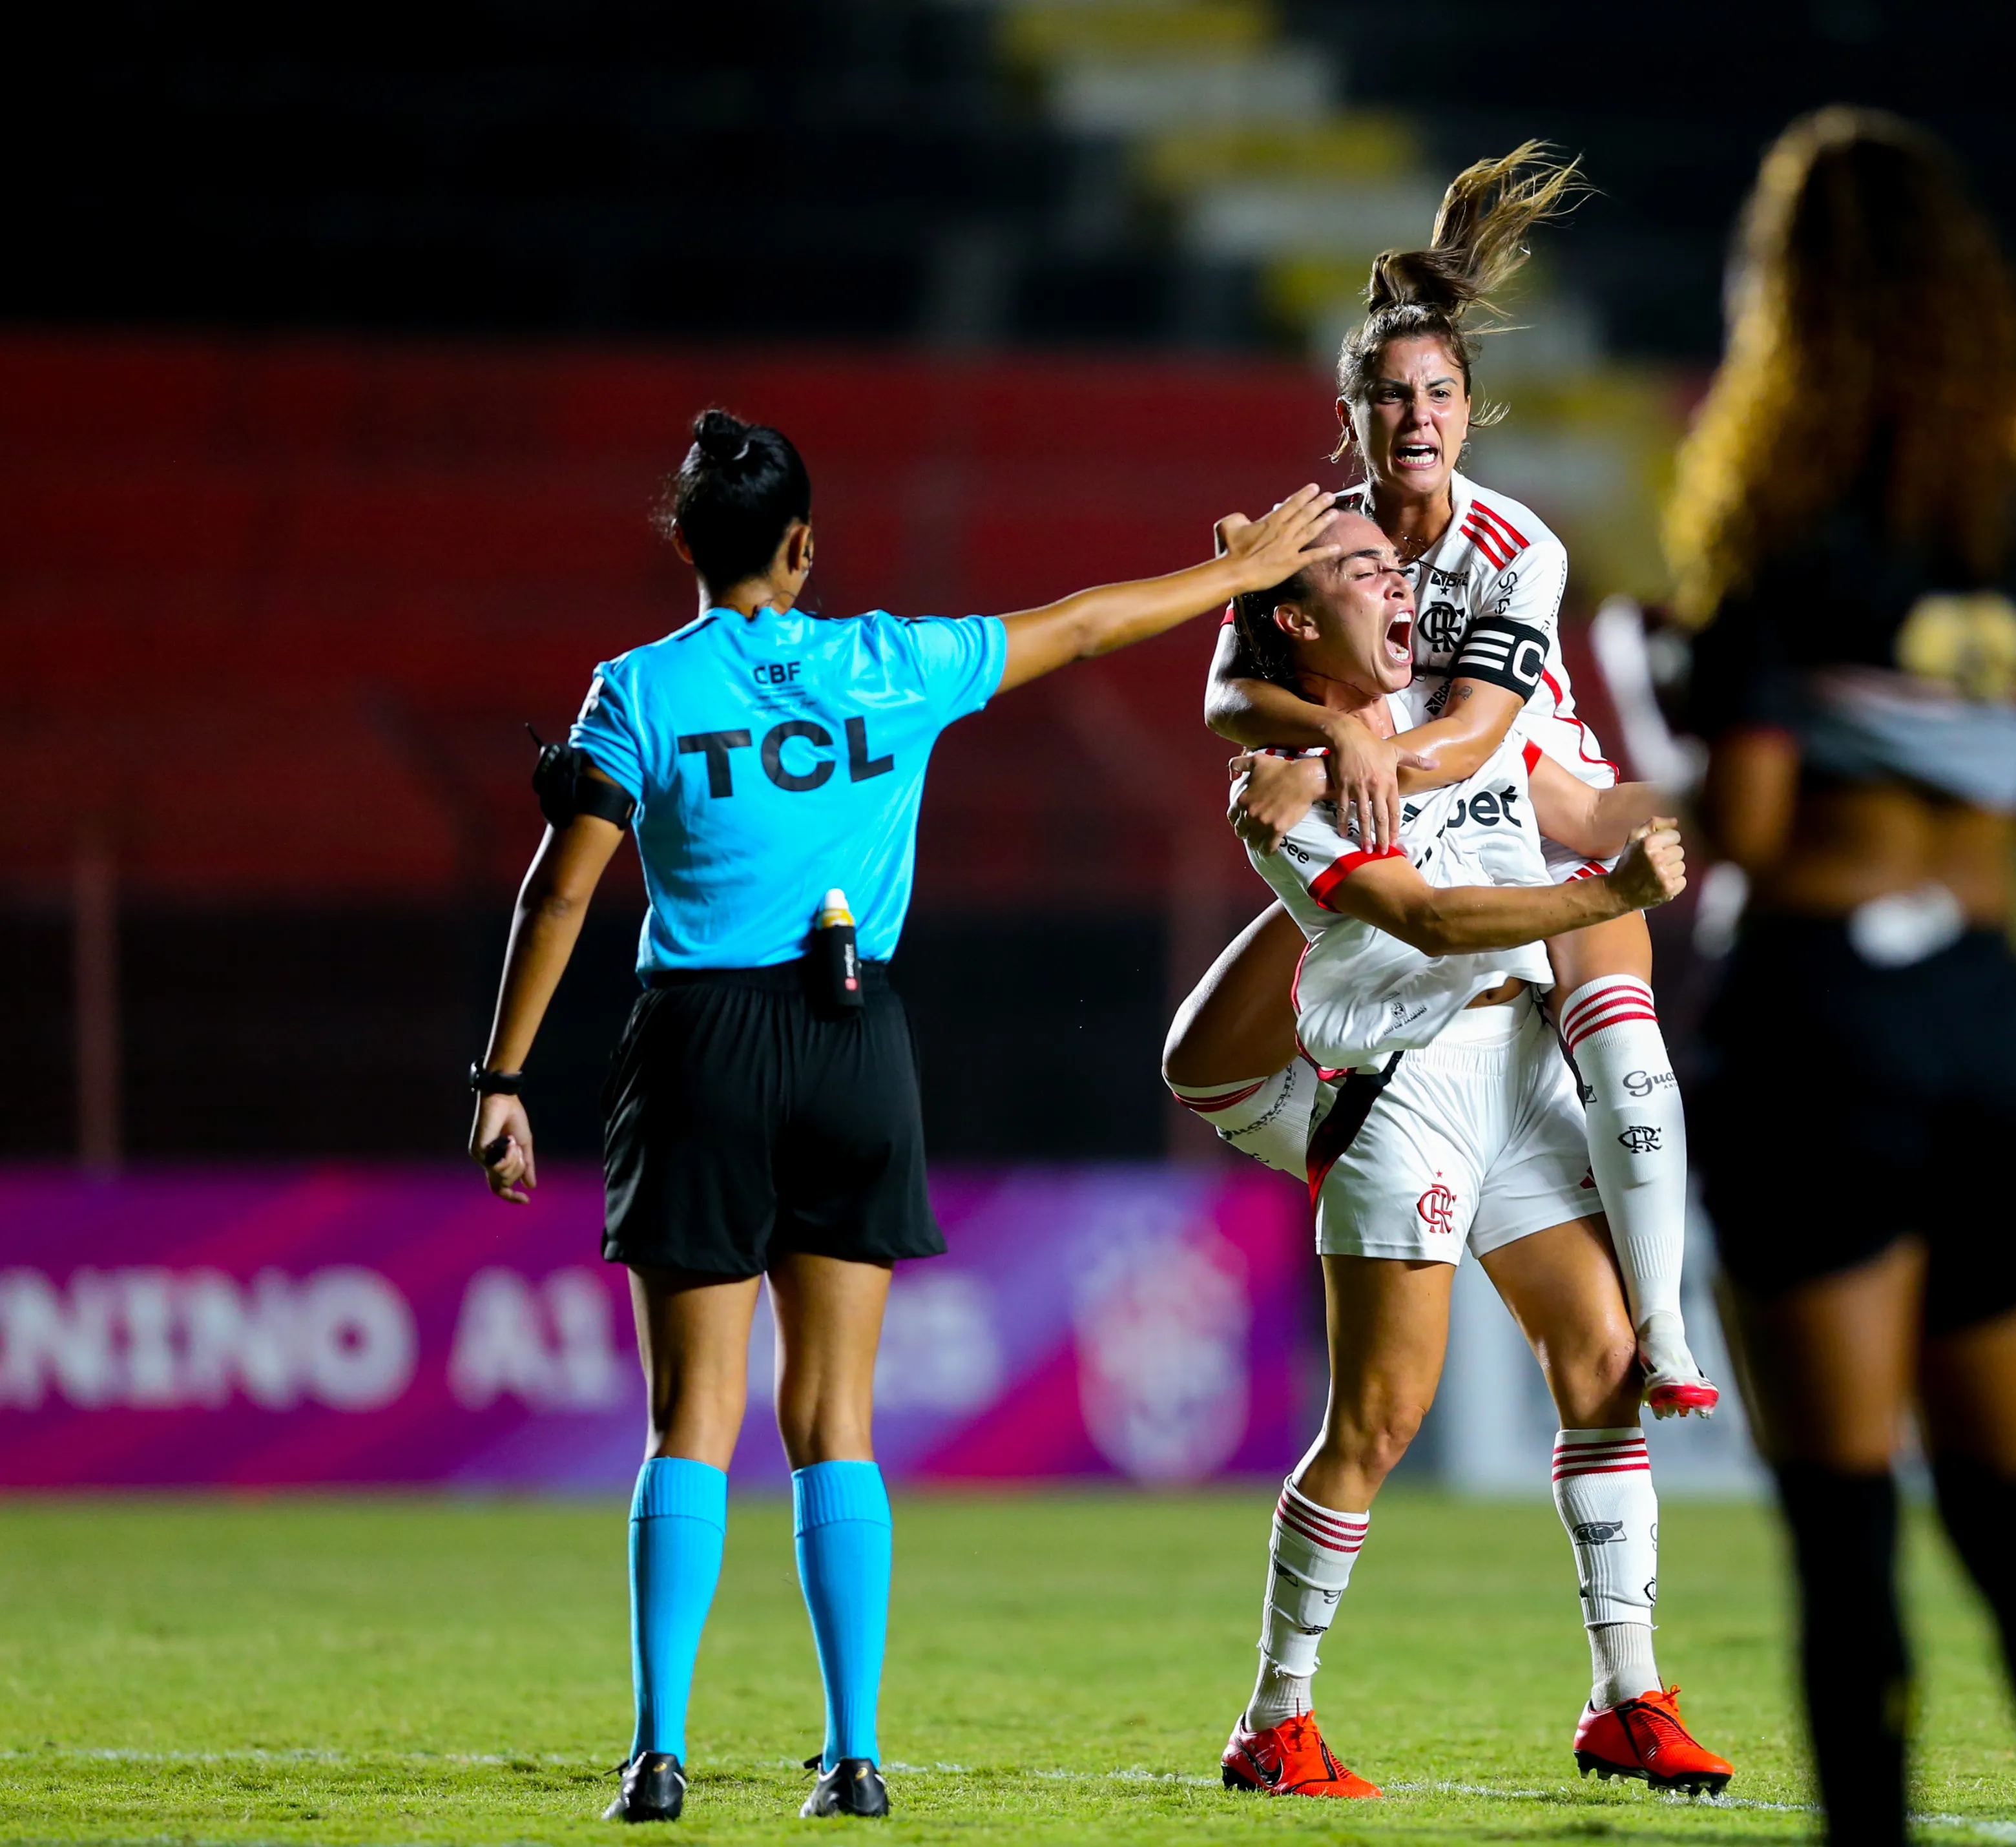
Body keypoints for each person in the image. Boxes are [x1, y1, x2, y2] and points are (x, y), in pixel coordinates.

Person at [464, 407, 1339, 1824]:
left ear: (687, 545)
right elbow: (1084, 625)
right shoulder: (892, 661)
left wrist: (502, 1081)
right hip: (851, 1040)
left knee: (690, 1420)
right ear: (803, 547)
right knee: (837, 1418)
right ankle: (854, 1756)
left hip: (699, 1046)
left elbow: (560, 891)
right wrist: (1233, 581)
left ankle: (657, 1756)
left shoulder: (637, 690)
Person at [1663, 109, 2016, 1844]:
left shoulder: (1775, 516)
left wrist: (1665, 722)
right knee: (2014, 1513)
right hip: (1989, 1024)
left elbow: (1752, 826)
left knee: (1845, 1528)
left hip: (1821, 1025)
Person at [1158, 145, 1718, 1419]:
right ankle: (1384, 1152)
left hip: (1538, 808)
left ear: (1469, 412)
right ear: (1349, 414)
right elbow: (1226, 697)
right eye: (1387, 397)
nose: (1415, 419)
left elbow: (1471, 739)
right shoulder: (1316, 540)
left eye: (1438, 395)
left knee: (1627, 1061)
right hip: (1415, 830)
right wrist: (1329, 736)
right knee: (1207, 1062)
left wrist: (1341, 760)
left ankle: (1667, 1326)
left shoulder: (1517, 545)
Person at [1206, 506, 1736, 1802]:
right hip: (1404, 1089)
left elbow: (1584, 802)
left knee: (1603, 1364)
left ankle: (1627, 1695)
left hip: (1519, 1063)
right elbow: (1428, 918)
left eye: (1398, 569)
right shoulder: (1279, 786)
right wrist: (1602, 897)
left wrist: (1736, 797)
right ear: (1295, 619)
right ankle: (1275, 1715)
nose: (1399, 587)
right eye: (1361, 572)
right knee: (1380, 1418)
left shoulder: (1465, 716)